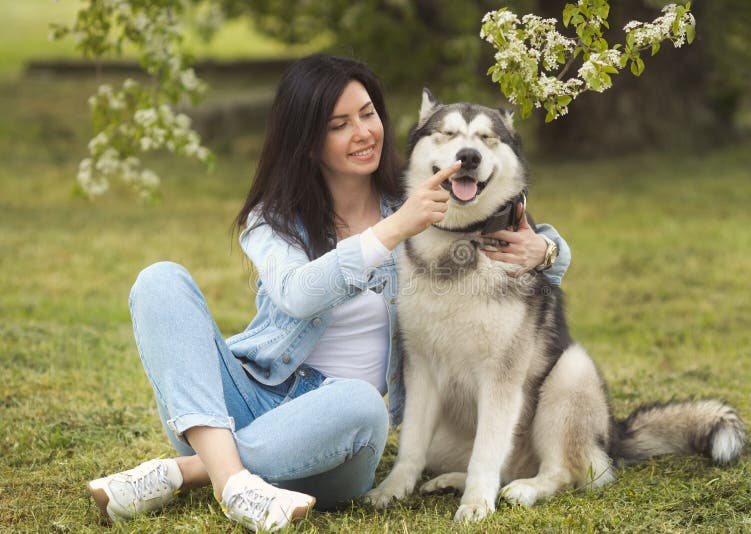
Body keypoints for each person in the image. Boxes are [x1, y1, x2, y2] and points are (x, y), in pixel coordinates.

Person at [87, 54, 572, 532]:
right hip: (249, 397)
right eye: (339, 124)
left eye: (368, 114)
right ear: (307, 141)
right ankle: (234, 482)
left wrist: (546, 250)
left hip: (340, 427)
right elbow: (299, 294)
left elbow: (516, 228)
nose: (363, 133)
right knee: (159, 279)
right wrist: (392, 229)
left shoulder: (419, 202)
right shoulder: (273, 221)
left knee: (362, 403)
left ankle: (189, 471)